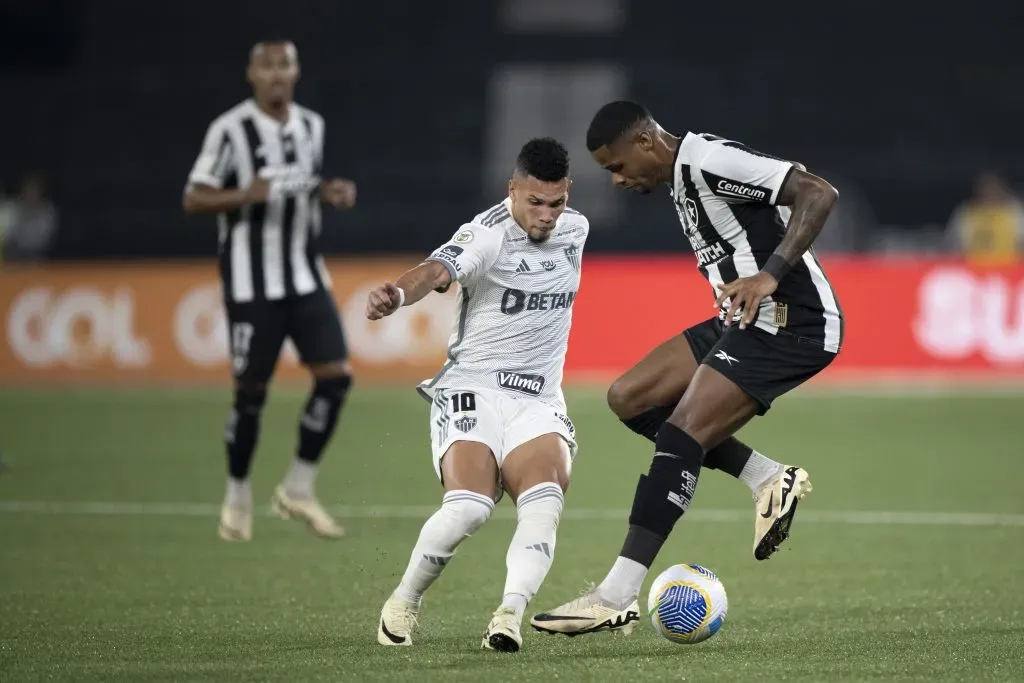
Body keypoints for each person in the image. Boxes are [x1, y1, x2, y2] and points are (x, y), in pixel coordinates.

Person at [531, 101, 843, 636]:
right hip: (744, 317)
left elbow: (818, 193)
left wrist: (769, 275)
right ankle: (767, 477)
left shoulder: (709, 160)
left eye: (618, 165)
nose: (618, 179)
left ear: (646, 142)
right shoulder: (681, 179)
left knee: (681, 435)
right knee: (630, 397)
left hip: (792, 321)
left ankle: (615, 594)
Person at [367, 138, 587, 653]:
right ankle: (403, 601)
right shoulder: (487, 235)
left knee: (542, 505)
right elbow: (436, 272)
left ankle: (508, 616)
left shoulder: (576, 230)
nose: (547, 215)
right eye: (535, 202)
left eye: (556, 203)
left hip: (537, 399)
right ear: (513, 190)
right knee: (469, 508)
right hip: (474, 389)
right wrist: (398, 293)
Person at [183, 40, 357, 542]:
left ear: (297, 71)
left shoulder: (311, 126)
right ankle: (237, 494)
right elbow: (193, 196)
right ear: (252, 74)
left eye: (285, 65)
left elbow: (300, 186)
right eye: (267, 66)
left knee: (336, 377)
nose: (277, 74)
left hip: (305, 275)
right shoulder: (229, 130)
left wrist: (330, 193)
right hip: (250, 283)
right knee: (251, 394)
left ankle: (298, 487)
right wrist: (243, 194)